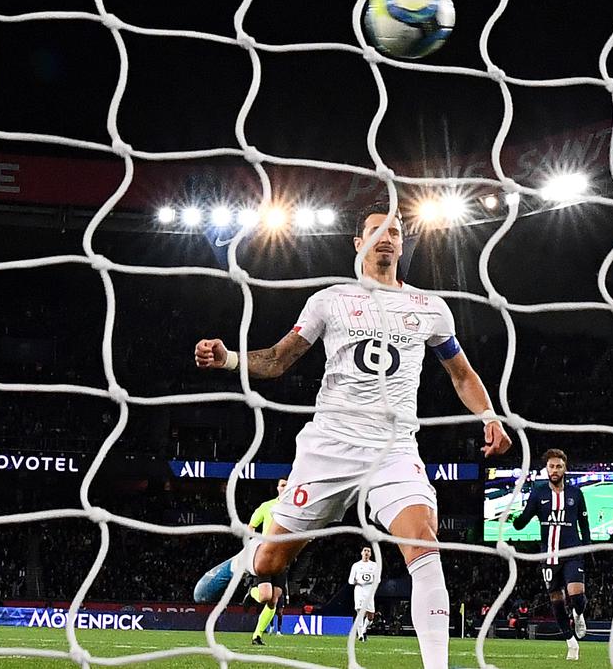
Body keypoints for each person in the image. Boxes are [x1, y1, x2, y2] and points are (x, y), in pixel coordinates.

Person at [190, 202, 513, 669]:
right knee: (270, 566)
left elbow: (462, 374)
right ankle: (247, 558)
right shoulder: (330, 300)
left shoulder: (430, 308)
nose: (387, 237)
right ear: (359, 244)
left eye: (395, 232)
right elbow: (279, 359)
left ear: (402, 245)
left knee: (424, 542)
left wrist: (489, 416)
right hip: (330, 448)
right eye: (376, 230)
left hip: (393, 450)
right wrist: (229, 359)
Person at [510, 448, 592, 660]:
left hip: (573, 552)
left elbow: (584, 523)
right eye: (551, 466)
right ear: (546, 469)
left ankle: (579, 614)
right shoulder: (538, 493)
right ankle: (571, 643)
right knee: (556, 599)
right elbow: (524, 520)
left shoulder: (576, 493)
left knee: (576, 596)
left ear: (565, 469)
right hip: (548, 556)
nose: (555, 470)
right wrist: (514, 520)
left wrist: (588, 547)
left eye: (559, 466)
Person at [243, 477, 288, 645]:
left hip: (283, 557)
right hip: (266, 556)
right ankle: (251, 593)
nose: (285, 488)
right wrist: (254, 543)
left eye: (288, 485)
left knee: (274, 599)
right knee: (264, 597)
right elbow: (251, 526)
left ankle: (257, 635)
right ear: (277, 488)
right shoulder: (267, 506)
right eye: (282, 485)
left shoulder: (295, 510)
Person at [348, 546, 380, 641]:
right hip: (359, 590)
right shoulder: (356, 565)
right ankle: (360, 635)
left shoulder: (374, 565)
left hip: (369, 591)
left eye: (368, 551)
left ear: (370, 554)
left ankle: (364, 630)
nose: (366, 552)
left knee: (371, 616)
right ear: (361, 553)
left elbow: (378, 579)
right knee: (360, 612)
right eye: (365, 550)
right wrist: (356, 581)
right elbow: (350, 580)